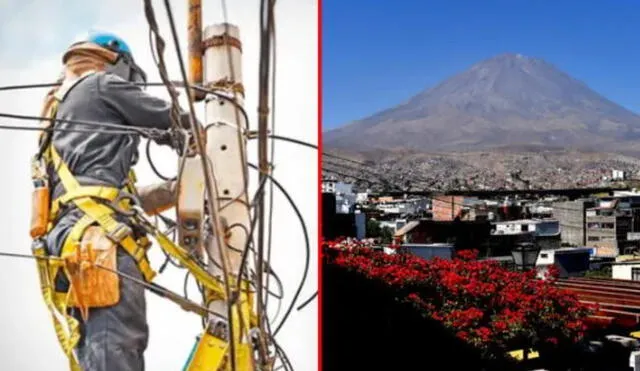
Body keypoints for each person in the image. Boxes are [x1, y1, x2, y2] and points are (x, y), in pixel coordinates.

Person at [35, 31, 192, 371]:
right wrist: (222, 139)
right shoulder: (100, 84)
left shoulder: (57, 117)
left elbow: (107, 195)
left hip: (69, 241)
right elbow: (180, 124)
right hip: (97, 240)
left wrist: (175, 190)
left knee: (97, 352)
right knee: (115, 346)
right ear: (118, 66)